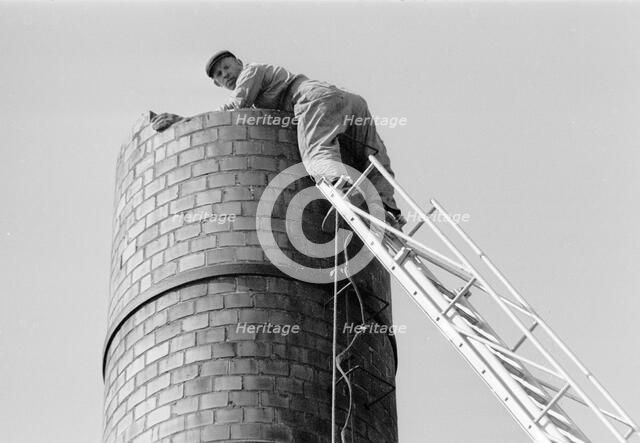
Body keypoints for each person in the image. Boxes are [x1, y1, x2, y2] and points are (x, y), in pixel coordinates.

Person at [152, 50, 406, 229]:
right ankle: (389, 209)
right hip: (349, 101)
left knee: (316, 154)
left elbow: (236, 107)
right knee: (373, 156)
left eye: (227, 67)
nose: (225, 74)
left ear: (239, 63)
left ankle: (343, 189)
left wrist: (186, 122)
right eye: (219, 74)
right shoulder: (258, 80)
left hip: (313, 99)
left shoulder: (251, 72)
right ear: (217, 83)